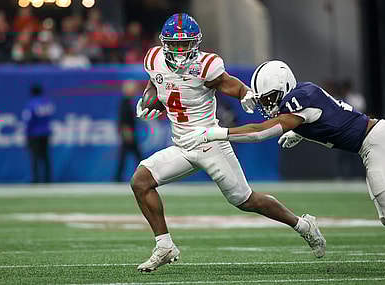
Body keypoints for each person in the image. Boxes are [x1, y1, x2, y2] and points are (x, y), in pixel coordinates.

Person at [131, 14, 326, 272]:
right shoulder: (154, 59)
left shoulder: (205, 65)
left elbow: (228, 83)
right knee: (141, 182)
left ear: (196, 44)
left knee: (246, 200)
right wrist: (147, 99)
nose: (180, 52)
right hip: (182, 145)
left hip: (210, 143)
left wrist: (245, 93)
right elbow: (154, 82)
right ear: (164, 44)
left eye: (185, 45)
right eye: (175, 45)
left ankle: (303, 225)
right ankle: (165, 245)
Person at [180, 60, 385, 237]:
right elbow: (329, 117)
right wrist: (301, 134)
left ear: (285, 87)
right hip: (377, 138)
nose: (268, 104)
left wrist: (216, 133)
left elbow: (260, 132)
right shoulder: (303, 92)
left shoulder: (299, 99)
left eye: (270, 98)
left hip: (377, 141)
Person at [22, 84, 55, 183]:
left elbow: (28, 119)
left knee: (35, 156)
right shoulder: (47, 103)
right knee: (45, 156)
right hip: (46, 132)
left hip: (34, 133)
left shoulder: (31, 104)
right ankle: (48, 179)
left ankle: (36, 179)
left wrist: (26, 133)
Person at [114, 80, 142, 182]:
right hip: (128, 132)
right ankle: (144, 175)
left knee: (126, 155)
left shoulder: (128, 102)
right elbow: (123, 120)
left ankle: (117, 177)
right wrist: (127, 132)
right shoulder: (125, 103)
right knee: (135, 155)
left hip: (130, 132)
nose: (134, 91)